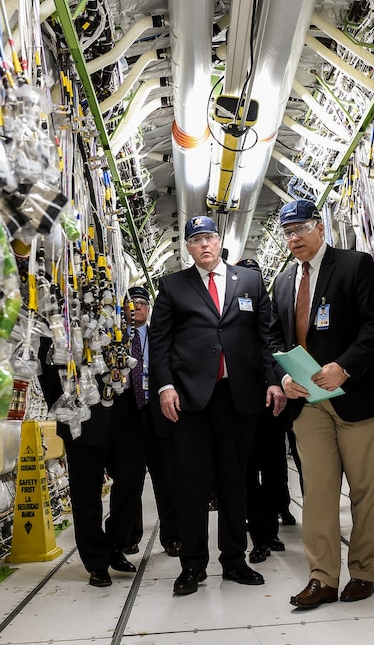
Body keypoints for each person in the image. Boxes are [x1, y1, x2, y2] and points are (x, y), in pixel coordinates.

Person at [269, 199, 374, 610]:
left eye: (301, 229)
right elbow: (273, 337)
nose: (294, 239)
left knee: (364, 491)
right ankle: (322, 577)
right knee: (317, 493)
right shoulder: (284, 281)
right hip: (308, 405)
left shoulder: (355, 264)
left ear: (319, 228)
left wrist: (344, 367)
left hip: (355, 397)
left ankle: (363, 572)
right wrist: (284, 377)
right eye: (287, 233)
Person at [150, 215, 286, 596]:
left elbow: (265, 339)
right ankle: (193, 565)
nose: (204, 245)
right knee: (192, 484)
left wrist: (273, 381)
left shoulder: (251, 282)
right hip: (190, 400)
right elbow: (159, 344)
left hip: (238, 396)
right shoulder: (173, 286)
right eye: (196, 240)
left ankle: (234, 561)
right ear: (188, 248)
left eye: (209, 237)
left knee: (235, 480)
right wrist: (164, 387)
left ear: (220, 240)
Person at [39, 327, 145, 588]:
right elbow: (45, 358)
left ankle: (115, 544)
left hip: (123, 407)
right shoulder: (63, 302)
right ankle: (97, 562)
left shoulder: (120, 296)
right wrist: (63, 409)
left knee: (133, 474)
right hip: (82, 414)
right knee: (86, 491)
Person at [234, 257, 290, 564]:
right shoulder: (234, 313)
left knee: (272, 468)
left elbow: (277, 350)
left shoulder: (272, 311)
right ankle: (259, 533)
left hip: (272, 403)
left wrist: (277, 382)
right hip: (243, 404)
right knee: (247, 472)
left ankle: (269, 530)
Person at [123, 285, 181, 558]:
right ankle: (128, 537)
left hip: (157, 412)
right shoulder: (118, 338)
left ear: (149, 308)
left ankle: (172, 537)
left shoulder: (159, 336)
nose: (136, 307)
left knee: (167, 478)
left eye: (141, 303)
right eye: (131, 303)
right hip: (129, 414)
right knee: (129, 478)